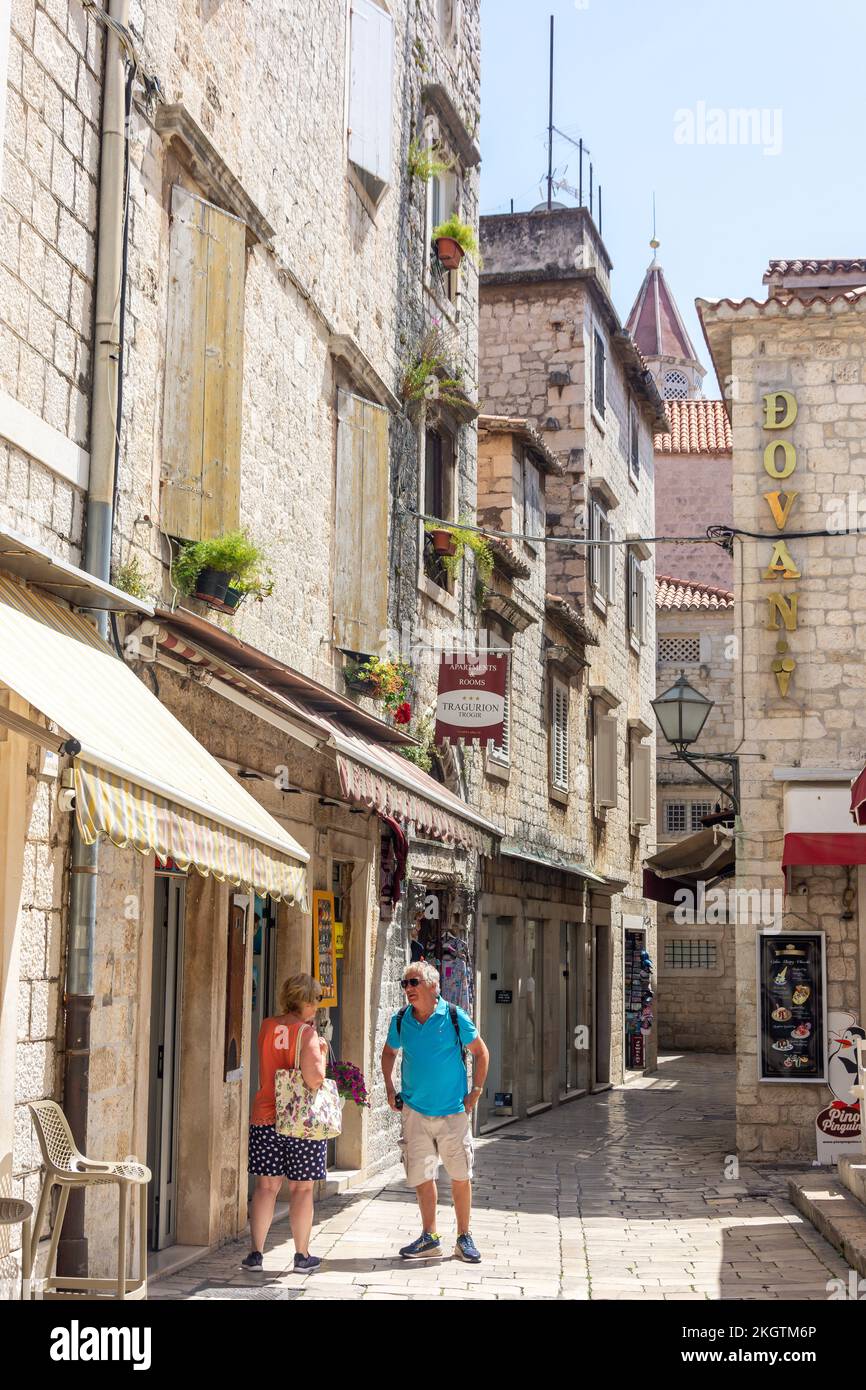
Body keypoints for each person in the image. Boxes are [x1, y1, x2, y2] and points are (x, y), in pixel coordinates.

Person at [381, 960, 489, 1262]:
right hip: (414, 1112)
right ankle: (429, 1236)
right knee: (422, 1176)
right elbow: (389, 1052)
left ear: (433, 985)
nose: (408, 989)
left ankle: (463, 1237)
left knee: (459, 1175)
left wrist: (475, 1092)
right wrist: (390, 1089)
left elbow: (481, 1052)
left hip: (452, 1112)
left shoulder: (455, 1016)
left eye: (414, 983)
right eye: (405, 984)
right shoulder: (402, 1020)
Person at [242, 972, 328, 1273]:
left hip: (265, 1115)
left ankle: (255, 1254)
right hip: (298, 1121)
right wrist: (320, 1049)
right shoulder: (307, 1034)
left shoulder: (266, 1026)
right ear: (304, 1001)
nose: (317, 1007)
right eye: (315, 1000)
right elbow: (314, 1078)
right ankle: (302, 1256)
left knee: (265, 1187)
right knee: (302, 1189)